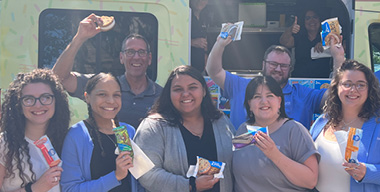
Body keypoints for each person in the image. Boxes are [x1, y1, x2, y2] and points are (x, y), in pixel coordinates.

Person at [206, 34, 345, 129]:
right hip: (244, 165)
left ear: (290, 69)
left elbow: (335, 96)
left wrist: (338, 58)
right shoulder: (240, 85)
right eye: (273, 64)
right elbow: (214, 71)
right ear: (263, 65)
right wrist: (220, 44)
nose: (278, 69)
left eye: (284, 66)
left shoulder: (304, 94)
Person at [134, 65, 235, 192]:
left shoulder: (221, 121)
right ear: (169, 94)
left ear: (204, 91)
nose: (186, 94)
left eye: (192, 87)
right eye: (178, 89)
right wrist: (190, 185)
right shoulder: (154, 126)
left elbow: (236, 164)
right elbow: (145, 173)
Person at [52, 13, 162, 129]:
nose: (136, 57)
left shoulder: (162, 96)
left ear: (149, 58)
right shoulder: (103, 85)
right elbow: (60, 78)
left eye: (141, 52)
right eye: (130, 52)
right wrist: (80, 37)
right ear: (121, 57)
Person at [233, 76, 319, 191]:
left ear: (279, 101)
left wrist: (275, 155)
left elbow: (311, 181)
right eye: (257, 97)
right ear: (249, 104)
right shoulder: (243, 130)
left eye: (270, 96)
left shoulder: (294, 130)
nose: (264, 101)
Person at [60, 73, 141, 192]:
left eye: (116, 95)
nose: (110, 101)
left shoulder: (128, 131)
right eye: (102, 94)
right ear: (87, 97)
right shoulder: (76, 135)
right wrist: (115, 176)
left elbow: (137, 181)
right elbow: (70, 189)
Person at [310, 60, 380, 192]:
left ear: (369, 89)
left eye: (360, 85)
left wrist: (367, 172)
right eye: (347, 84)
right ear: (336, 87)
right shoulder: (322, 121)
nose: (353, 90)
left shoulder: (377, 125)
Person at [0, 69, 70, 192]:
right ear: (19, 106)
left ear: (56, 102)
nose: (38, 105)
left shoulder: (69, 141)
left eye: (46, 97)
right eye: (28, 99)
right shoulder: (5, 144)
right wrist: (34, 189)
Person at [280, 9, 332, 78]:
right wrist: (291, 29)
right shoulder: (300, 36)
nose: (312, 21)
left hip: (322, 80)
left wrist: (325, 44)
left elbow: (341, 47)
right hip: (300, 80)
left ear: (320, 20)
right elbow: (284, 42)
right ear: (304, 22)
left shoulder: (327, 36)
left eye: (315, 17)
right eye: (308, 18)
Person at [190, 0, 209, 74]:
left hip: (201, 67)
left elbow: (204, 40)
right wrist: (192, 42)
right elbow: (172, 40)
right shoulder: (184, 16)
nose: (200, 1)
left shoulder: (204, 17)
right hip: (187, 65)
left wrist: (205, 55)